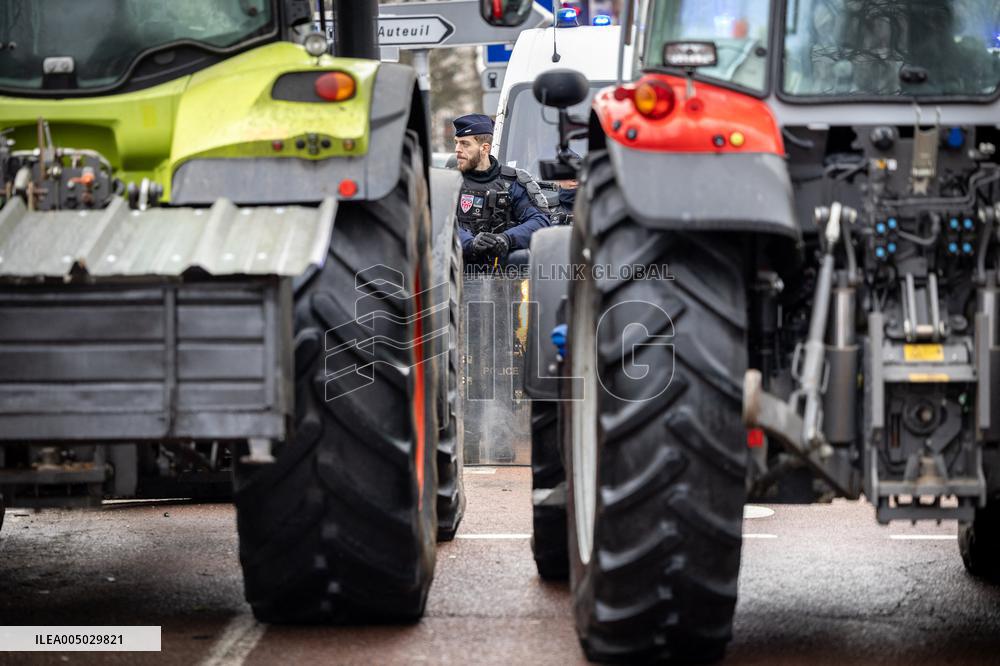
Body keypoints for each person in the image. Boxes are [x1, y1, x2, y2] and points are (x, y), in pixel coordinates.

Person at [452, 113, 550, 266]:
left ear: (485, 148)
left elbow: (540, 221)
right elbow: (437, 224)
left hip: (506, 275)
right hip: (458, 276)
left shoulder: (513, 182)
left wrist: (507, 238)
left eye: (465, 144)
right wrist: (470, 243)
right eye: (456, 143)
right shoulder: (449, 182)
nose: (457, 149)